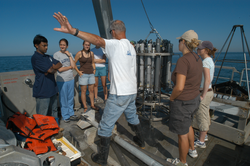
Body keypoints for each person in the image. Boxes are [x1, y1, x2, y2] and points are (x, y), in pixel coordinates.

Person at [53, 12, 145, 166]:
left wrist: (73, 31)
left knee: (105, 126)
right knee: (132, 116)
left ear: (113, 32)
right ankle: (140, 139)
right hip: (131, 92)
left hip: (119, 94)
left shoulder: (115, 44)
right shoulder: (131, 46)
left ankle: (102, 157)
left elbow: (96, 40)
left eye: (110, 33)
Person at [166, 30, 202, 166]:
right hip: (194, 99)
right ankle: (192, 150)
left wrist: (171, 98)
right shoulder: (198, 58)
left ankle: (182, 162)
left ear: (184, 42)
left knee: (182, 134)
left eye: (179, 41)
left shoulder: (183, 60)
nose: (178, 44)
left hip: (183, 102)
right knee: (189, 126)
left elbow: (179, 87)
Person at [31, 34, 62, 125]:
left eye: (47, 45)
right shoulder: (36, 58)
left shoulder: (48, 57)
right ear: (36, 45)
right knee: (42, 114)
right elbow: (51, 70)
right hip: (42, 90)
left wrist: (51, 69)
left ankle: (55, 127)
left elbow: (59, 63)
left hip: (52, 88)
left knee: (54, 110)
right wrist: (51, 69)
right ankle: (43, 132)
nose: (46, 47)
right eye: (44, 45)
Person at [193, 41, 217, 148]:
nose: (198, 49)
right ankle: (204, 135)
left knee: (201, 116)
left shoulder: (205, 62)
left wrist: (202, 95)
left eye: (200, 48)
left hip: (205, 92)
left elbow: (207, 80)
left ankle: (201, 141)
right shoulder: (209, 60)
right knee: (206, 114)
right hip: (210, 92)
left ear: (206, 50)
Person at [53, 38, 79, 123]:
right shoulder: (56, 55)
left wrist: (69, 56)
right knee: (63, 98)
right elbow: (59, 69)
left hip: (70, 79)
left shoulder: (70, 54)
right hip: (61, 80)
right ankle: (65, 115)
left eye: (64, 45)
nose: (62, 46)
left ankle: (71, 113)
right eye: (61, 44)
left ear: (67, 46)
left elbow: (73, 65)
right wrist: (70, 67)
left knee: (70, 97)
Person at [74, 41, 98, 112]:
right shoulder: (79, 53)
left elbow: (93, 62)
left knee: (91, 90)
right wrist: (78, 72)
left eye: (88, 45)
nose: (87, 46)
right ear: (83, 45)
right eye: (86, 45)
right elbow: (73, 63)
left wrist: (94, 69)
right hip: (83, 74)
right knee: (83, 91)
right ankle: (85, 107)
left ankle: (92, 105)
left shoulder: (91, 53)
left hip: (91, 74)